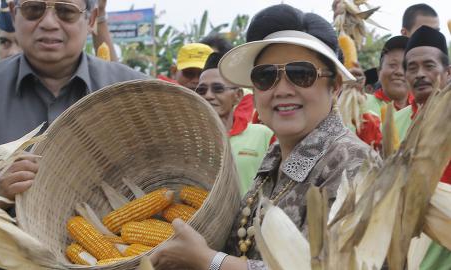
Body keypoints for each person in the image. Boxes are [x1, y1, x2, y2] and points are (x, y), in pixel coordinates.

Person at [150, 4, 378, 269]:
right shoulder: (274, 159)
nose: (281, 90)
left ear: (335, 86)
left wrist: (208, 261)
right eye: (266, 76)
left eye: (300, 74)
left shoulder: (353, 162)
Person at [0, 1, 146, 269]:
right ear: (14, 14)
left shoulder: (131, 92)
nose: (48, 22)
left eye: (65, 11)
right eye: (34, 9)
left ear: (91, 19)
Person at [398, 25, 451, 270]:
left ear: (447, 72)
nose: (420, 74)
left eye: (429, 66)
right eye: (412, 68)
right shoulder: (395, 121)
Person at [196, 52, 273, 195]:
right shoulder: (189, 141)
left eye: (217, 88)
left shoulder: (264, 135)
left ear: (238, 96)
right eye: (201, 90)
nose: (208, 95)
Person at [365, 36, 414, 117]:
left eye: (406, 66)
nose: (399, 72)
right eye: (392, 65)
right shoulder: (362, 105)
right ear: (379, 72)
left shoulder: (423, 111)